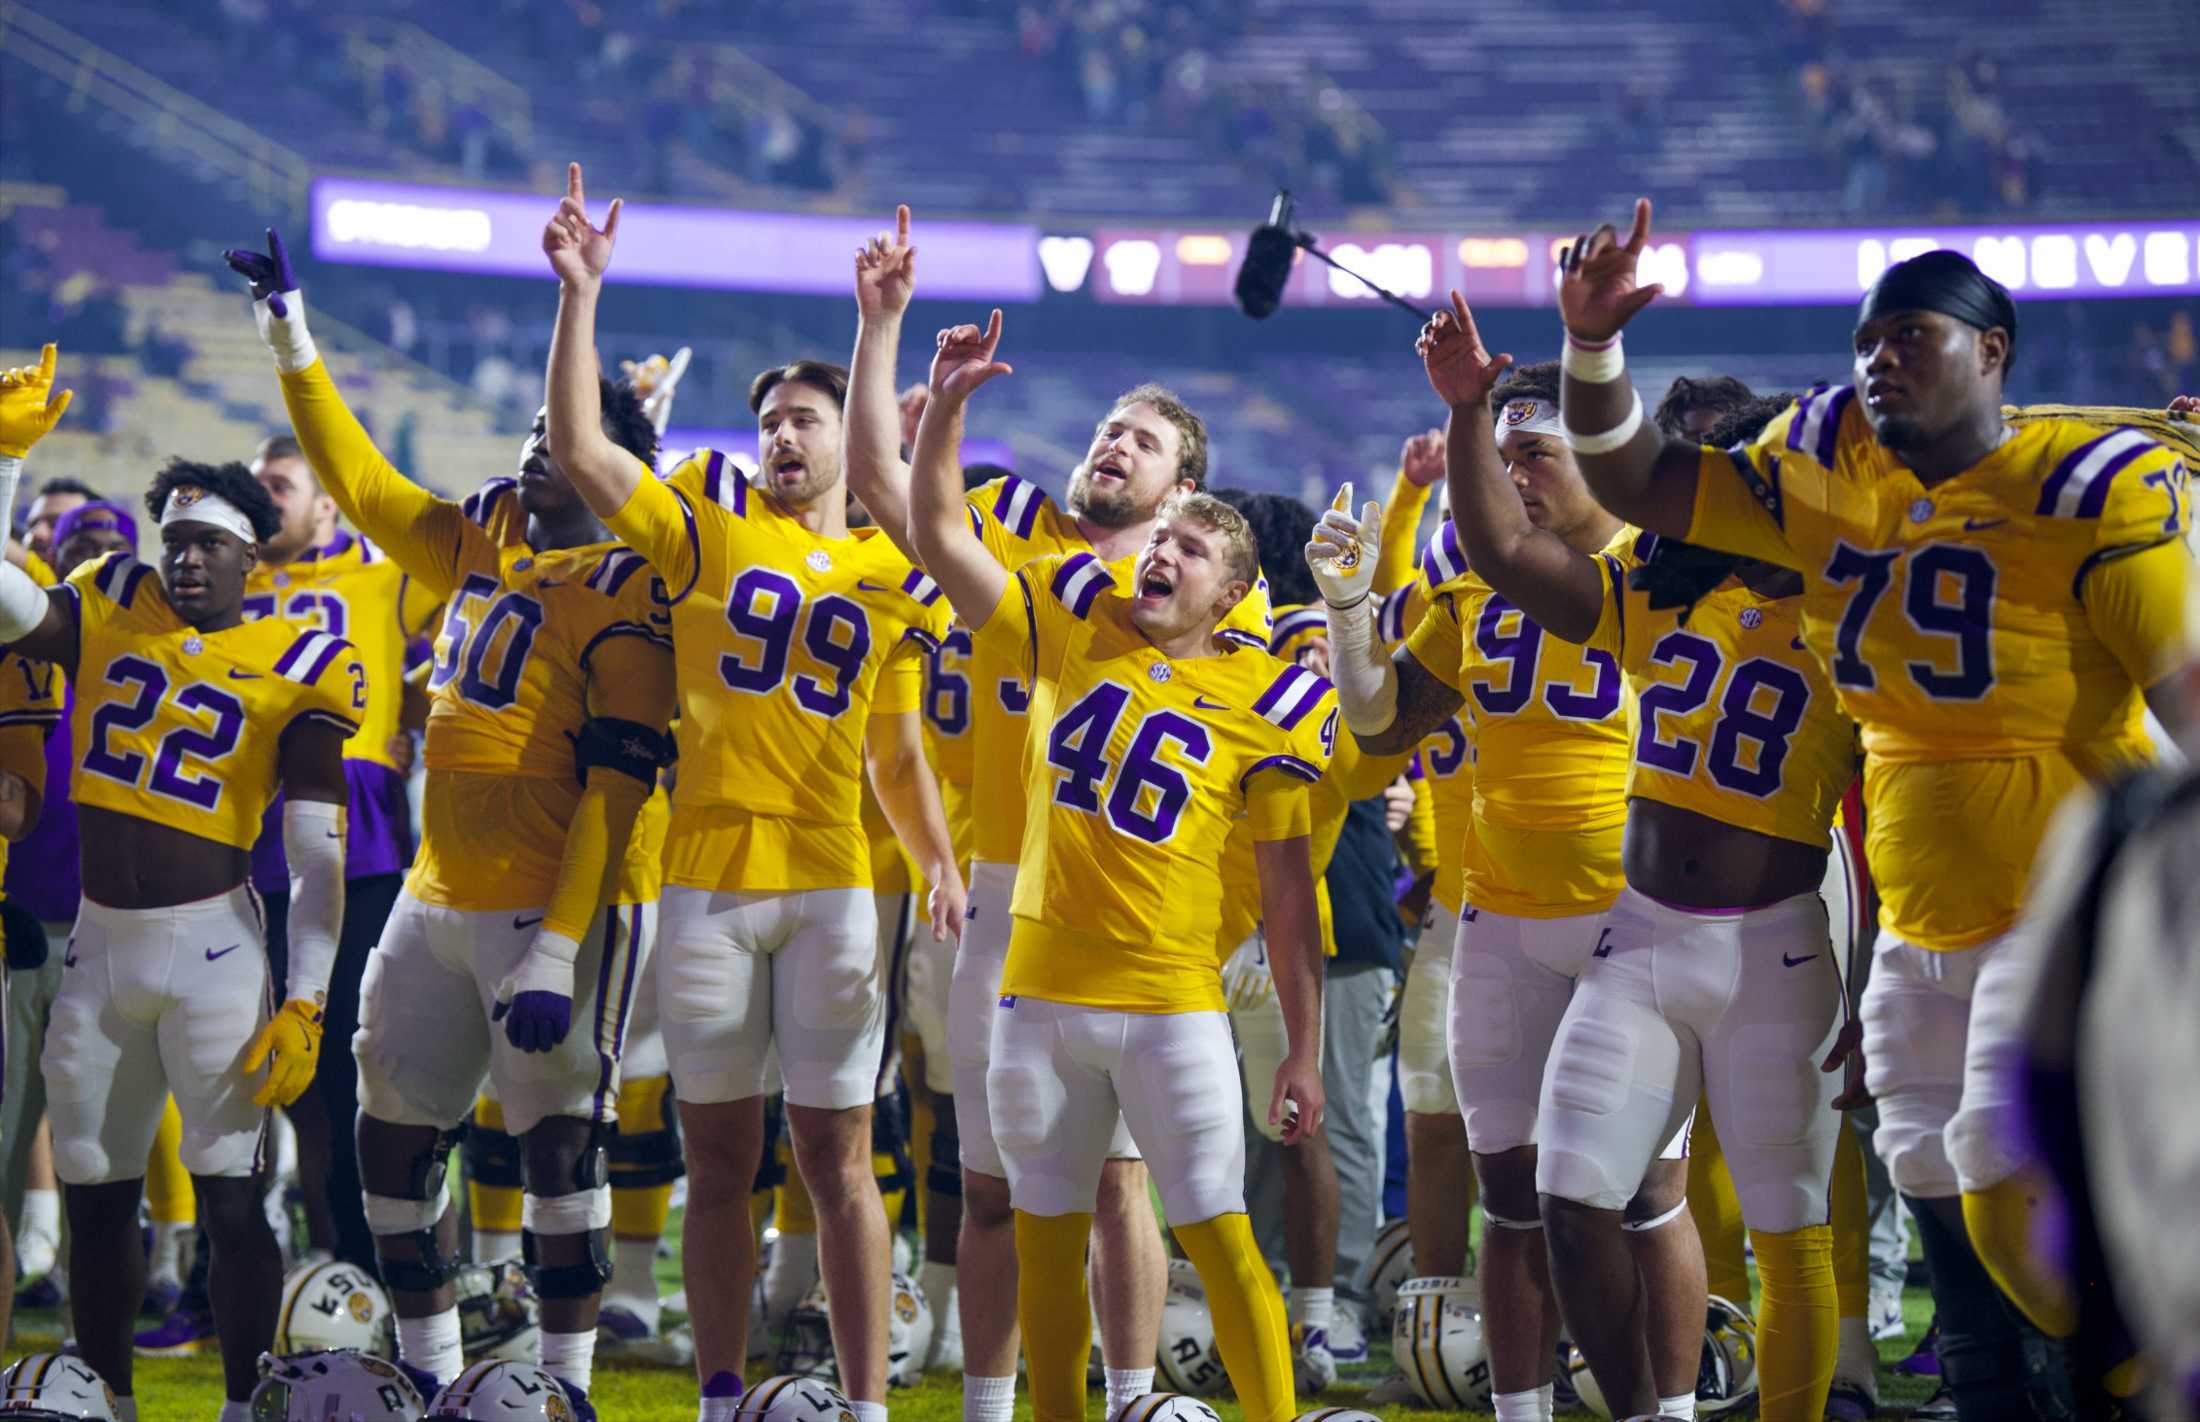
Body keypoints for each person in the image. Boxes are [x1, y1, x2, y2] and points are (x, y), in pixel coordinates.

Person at [1554, 204, 2192, 1419]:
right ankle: (2043, 1385)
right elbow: (1635, 476)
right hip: (1918, 912)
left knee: (1999, 1171)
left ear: (1992, 350)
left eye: (1911, 332)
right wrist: (1592, 349)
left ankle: (2141, 1367)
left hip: (2054, 903)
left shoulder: (2087, 486)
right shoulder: (1820, 472)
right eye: (1863, 340)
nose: (1877, 358)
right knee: (1921, 1169)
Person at [226, 230, 676, 1419]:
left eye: (562, 440)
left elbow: (617, 787)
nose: (535, 451)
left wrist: (561, 944)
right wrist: (292, 333)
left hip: (556, 902)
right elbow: (364, 481)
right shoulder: (484, 533)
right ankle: (427, 1378)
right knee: (390, 1140)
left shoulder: (636, 588)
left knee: (554, 1158)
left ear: (619, 469)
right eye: (531, 434)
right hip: (436, 894)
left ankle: (566, 1390)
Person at [540, 167, 964, 1422]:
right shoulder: (703, 530)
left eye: (806, 418)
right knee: (717, 1160)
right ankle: (722, 1397)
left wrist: (934, 859)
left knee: (838, 1161)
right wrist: (581, 298)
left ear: (850, 435)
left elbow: (897, 750)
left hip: (834, 880)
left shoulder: (895, 565)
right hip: (710, 880)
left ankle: (865, 1401)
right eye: (770, 417)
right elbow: (577, 447)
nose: (782, 434)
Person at [838, 205, 1272, 1422]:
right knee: (993, 1190)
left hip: (1136, 930)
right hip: (1002, 907)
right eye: (1105, 432)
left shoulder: (1218, 610)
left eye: (1138, 441)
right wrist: (882, 327)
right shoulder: (1021, 538)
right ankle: (994, 1406)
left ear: (1185, 488)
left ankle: (1129, 1400)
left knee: (1124, 1188)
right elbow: (885, 485)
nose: (1111, 449)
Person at [1417, 293, 1863, 1421]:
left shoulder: (1848, 608)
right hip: (1643, 936)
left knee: (1785, 1227)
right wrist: (1473, 415)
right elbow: (1503, 551)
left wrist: (1870, 974)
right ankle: (1640, 1417)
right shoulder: (1652, 603)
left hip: (1777, 947)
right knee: (1567, 1196)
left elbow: (1887, 808)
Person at [908, 305, 1331, 1422]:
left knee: (1218, 1235)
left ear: (1235, 593)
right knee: (1046, 1250)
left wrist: (1302, 1049)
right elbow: (941, 535)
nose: (1163, 554)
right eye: (1160, 540)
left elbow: (1293, 896)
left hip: (1170, 1004)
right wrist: (946, 405)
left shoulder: (1267, 695)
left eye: (1191, 547)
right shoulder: (1063, 614)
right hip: (1036, 999)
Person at [1309, 359, 1703, 1422]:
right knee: (1511, 1199)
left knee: (1644, 1196)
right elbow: (1383, 735)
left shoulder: (1669, 566)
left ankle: (1661, 1411)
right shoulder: (1470, 584)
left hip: (1637, 922)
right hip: (1499, 919)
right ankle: (1519, 1413)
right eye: (1501, 456)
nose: (1512, 476)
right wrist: (1350, 612)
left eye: (1535, 454)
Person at [0, 345, 362, 1422]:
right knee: (98, 1198)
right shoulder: (109, 602)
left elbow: (316, 854)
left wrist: (306, 998)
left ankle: (245, 1401)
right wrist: (5, 460)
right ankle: (102, 1396)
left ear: (254, 558)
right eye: (176, 545)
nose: (187, 563)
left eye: (209, 546)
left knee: (234, 1204)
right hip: (99, 943)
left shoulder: (300, 659)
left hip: (216, 949)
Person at [240, 433, 438, 1272]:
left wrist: (413, 725)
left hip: (360, 845)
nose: (264, 499)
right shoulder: (224, 575)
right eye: (257, 486)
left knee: (363, 1063)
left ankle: (390, 1256)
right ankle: (319, 1260)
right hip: (244, 844)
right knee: (276, 1076)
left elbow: (471, 636)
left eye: (281, 485)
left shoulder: (387, 571)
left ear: (327, 503)